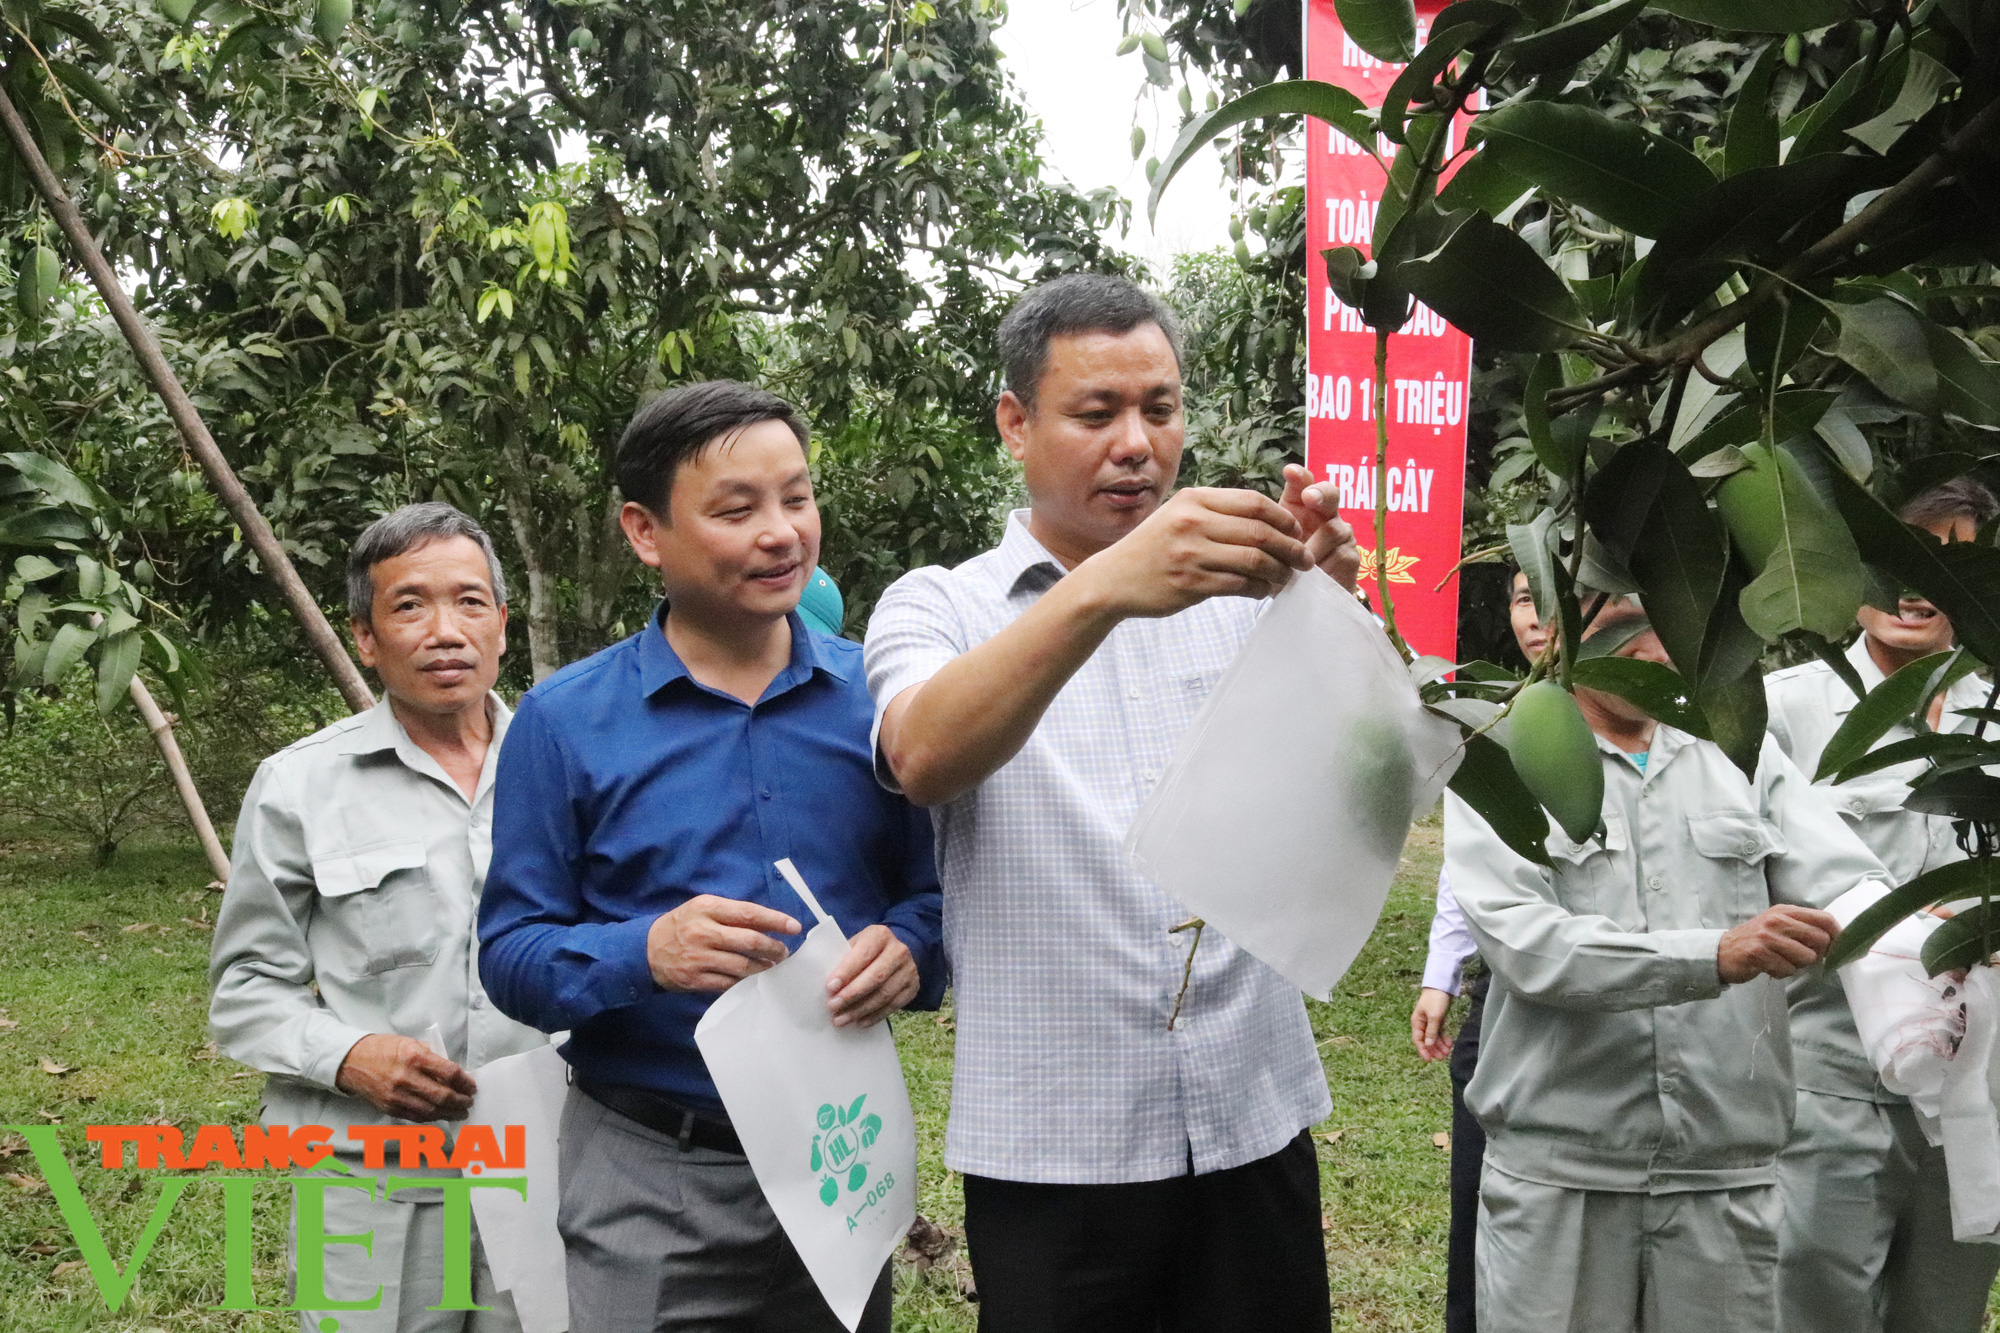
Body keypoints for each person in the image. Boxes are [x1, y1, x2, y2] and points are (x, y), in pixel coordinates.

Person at [865, 272, 1360, 1332]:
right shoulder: (937, 605)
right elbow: (921, 754)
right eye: (1095, 413)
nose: (1134, 442)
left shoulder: (1239, 587)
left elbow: (1345, 789)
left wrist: (1334, 612)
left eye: (1159, 408)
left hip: (1251, 1120)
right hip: (1057, 1154)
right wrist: (1105, 583)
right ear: (1015, 422)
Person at [477, 379, 945, 1333]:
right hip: (651, 1169)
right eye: (737, 509)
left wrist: (911, 946)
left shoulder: (880, 703)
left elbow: (935, 897)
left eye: (797, 497)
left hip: (837, 1157)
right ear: (646, 531)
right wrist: (642, 951)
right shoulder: (564, 721)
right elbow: (510, 953)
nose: (781, 532)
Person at [1448, 596, 1890, 1333]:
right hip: (1566, 1175)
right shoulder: (1501, 754)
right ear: (1556, 628)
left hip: (1724, 1174)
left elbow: (1849, 887)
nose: (1648, 649)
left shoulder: (1733, 746)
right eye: (1617, 622)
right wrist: (1712, 953)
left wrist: (1933, 930)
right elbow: (1529, 945)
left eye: (1663, 623)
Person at [210, 503, 546, 1332]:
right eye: (409, 605)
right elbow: (245, 991)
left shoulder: (564, 766)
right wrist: (350, 1052)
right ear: (365, 636)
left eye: (471, 602)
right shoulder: (298, 787)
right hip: (373, 1179)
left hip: (544, 1170)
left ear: (502, 625)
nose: (445, 631)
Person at [1763, 477, 2000, 1333]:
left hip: (1975, 1090)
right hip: (1832, 1084)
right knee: (1814, 1307)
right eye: (1899, 551)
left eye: (1948, 556)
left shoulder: (1995, 714)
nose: (1914, 581)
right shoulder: (1783, 710)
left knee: (1945, 1310)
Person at [1410, 567, 1549, 1333]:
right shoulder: (1493, 718)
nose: (1535, 616)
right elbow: (1469, 858)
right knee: (1475, 1206)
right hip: (1495, 1002)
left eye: (1552, 594)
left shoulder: (1646, 723)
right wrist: (1441, 973)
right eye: (1523, 597)